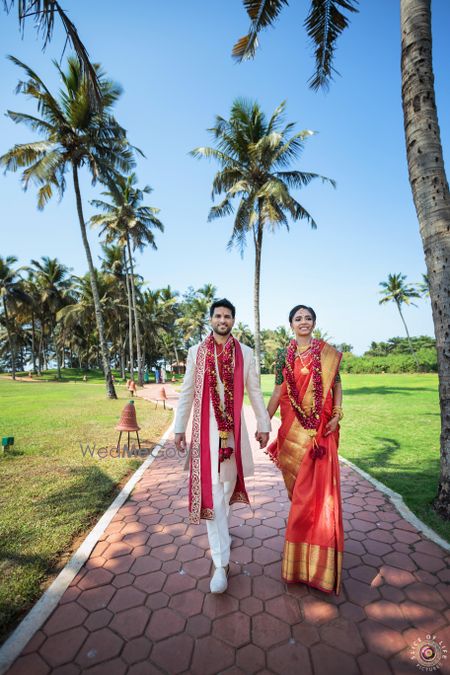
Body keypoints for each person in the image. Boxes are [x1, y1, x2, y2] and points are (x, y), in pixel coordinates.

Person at [175, 299, 271, 594]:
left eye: (227, 316)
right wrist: (179, 427)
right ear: (210, 319)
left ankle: (223, 533)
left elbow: (255, 392)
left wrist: (264, 424)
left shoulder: (246, 353)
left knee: (227, 491)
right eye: (218, 315)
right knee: (214, 499)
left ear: (233, 320)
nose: (222, 319)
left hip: (234, 433)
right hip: (205, 432)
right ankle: (221, 563)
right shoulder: (196, 352)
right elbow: (187, 391)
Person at [265, 305, 344, 595]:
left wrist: (337, 413)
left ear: (314, 323)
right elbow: (277, 393)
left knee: (322, 500)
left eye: (308, 318)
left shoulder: (328, 354)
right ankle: (298, 565)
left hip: (321, 434)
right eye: (298, 318)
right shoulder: (282, 356)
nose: (303, 322)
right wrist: (263, 423)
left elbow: (336, 385)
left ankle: (319, 566)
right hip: (292, 434)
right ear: (291, 324)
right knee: (300, 497)